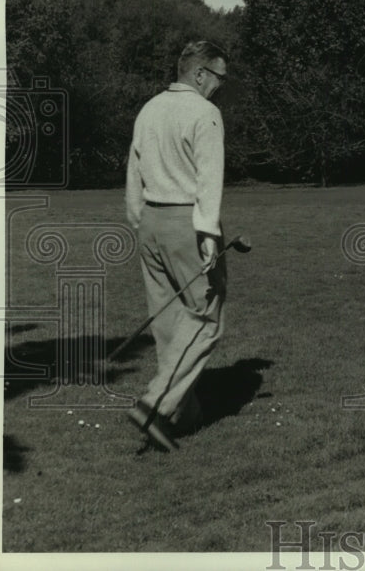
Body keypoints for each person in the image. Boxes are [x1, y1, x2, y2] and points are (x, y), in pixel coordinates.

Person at [124, 40, 229, 451]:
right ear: (200, 73)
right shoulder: (205, 113)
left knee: (169, 325)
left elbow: (133, 170)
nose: (221, 86)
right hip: (187, 222)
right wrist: (207, 235)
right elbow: (209, 178)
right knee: (206, 318)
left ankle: (184, 414)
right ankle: (155, 404)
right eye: (220, 77)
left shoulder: (149, 108)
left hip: (150, 220)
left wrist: (138, 219)